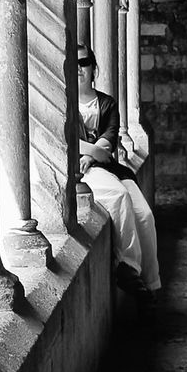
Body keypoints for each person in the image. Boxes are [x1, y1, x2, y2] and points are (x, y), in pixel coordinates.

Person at [75, 43, 161, 309]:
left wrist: (86, 149)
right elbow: (79, 145)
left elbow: (107, 145)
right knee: (119, 196)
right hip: (89, 173)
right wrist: (93, 151)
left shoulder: (107, 104)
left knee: (145, 215)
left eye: (85, 62)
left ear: (93, 68)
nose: (79, 69)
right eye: (74, 64)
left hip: (110, 168)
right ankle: (130, 270)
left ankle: (152, 285)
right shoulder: (63, 105)